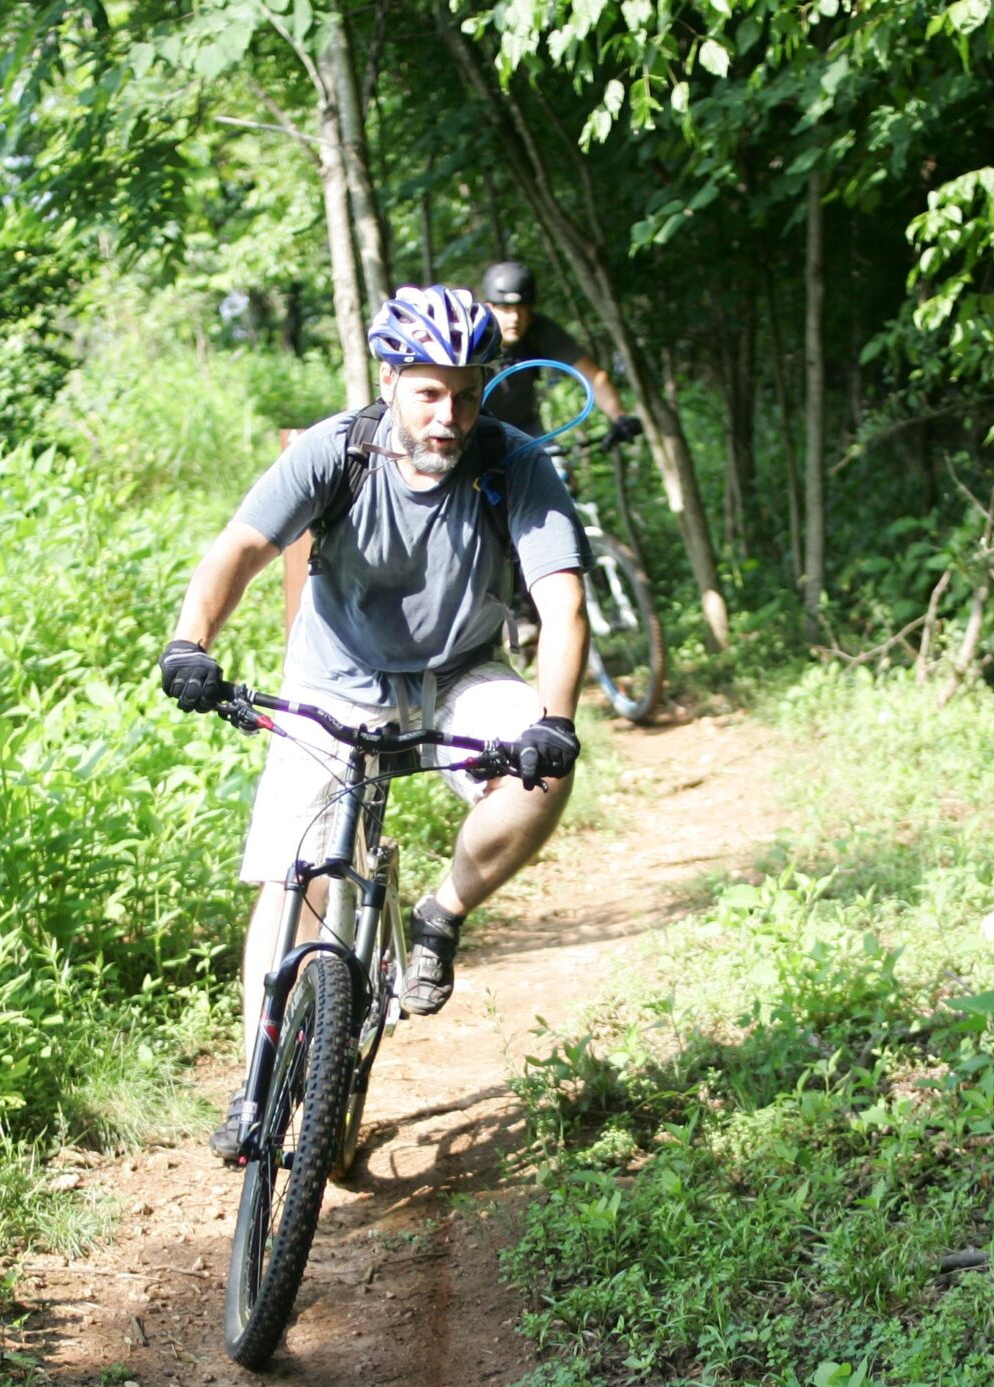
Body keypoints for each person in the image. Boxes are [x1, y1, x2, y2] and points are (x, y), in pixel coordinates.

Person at [158, 285, 592, 1165]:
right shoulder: (337, 450)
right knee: (294, 884)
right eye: (431, 391)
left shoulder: (512, 463)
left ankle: (438, 915)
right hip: (336, 678)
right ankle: (257, 1084)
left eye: (469, 392)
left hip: (460, 676)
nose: (451, 414)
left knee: (547, 777)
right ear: (391, 378)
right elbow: (240, 548)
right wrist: (189, 644)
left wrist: (554, 719)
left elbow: (562, 600)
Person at [476, 260, 641, 446]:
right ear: (489, 308)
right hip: (474, 430)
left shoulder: (540, 331)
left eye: (522, 308)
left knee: (559, 470)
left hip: (524, 429)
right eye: (506, 309)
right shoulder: (471, 337)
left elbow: (593, 378)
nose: (515, 318)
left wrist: (620, 417)